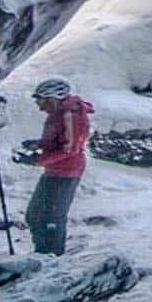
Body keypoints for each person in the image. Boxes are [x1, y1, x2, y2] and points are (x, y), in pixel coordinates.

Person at [15, 77, 92, 255]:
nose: (39, 106)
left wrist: (37, 160)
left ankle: (52, 255)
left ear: (52, 99)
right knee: (35, 214)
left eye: (40, 101)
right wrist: (38, 144)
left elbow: (71, 149)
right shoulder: (58, 113)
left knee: (52, 217)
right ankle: (42, 252)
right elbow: (59, 140)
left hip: (67, 171)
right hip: (54, 169)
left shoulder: (71, 115)